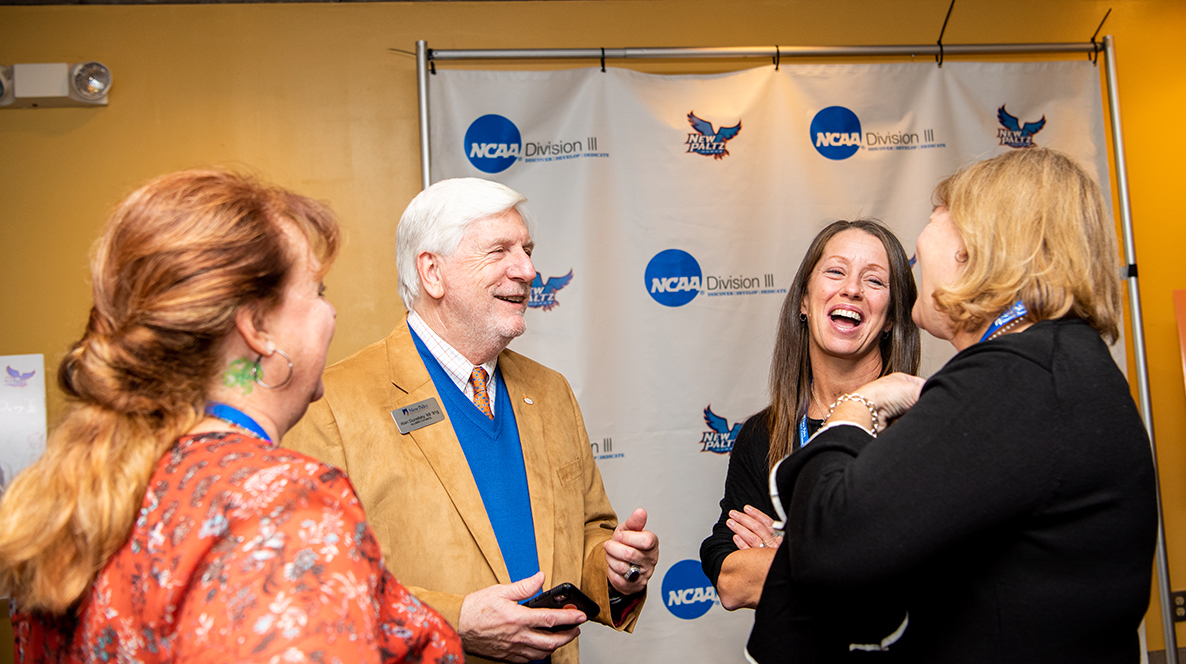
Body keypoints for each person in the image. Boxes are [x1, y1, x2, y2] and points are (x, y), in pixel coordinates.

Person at [0, 170, 463, 663]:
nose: (331, 314)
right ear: (257, 327)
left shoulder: (74, 495)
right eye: (318, 291)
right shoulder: (282, 505)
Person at [748, 148, 1158, 663]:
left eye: (937, 215)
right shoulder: (1052, 364)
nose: (918, 245)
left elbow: (832, 542)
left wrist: (856, 407)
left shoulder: (1015, 378)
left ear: (977, 246)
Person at [283, 177, 659, 664]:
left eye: (526, 249)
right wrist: (453, 621)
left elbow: (589, 531)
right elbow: (312, 587)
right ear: (433, 273)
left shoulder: (552, 392)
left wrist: (615, 570)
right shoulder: (331, 405)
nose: (527, 270)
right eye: (500, 250)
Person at [700, 219, 920, 611]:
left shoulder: (923, 426)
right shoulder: (763, 433)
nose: (851, 289)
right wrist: (840, 558)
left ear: (890, 319)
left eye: (874, 281)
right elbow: (731, 581)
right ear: (804, 301)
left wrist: (789, 547)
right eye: (836, 271)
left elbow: (911, 573)